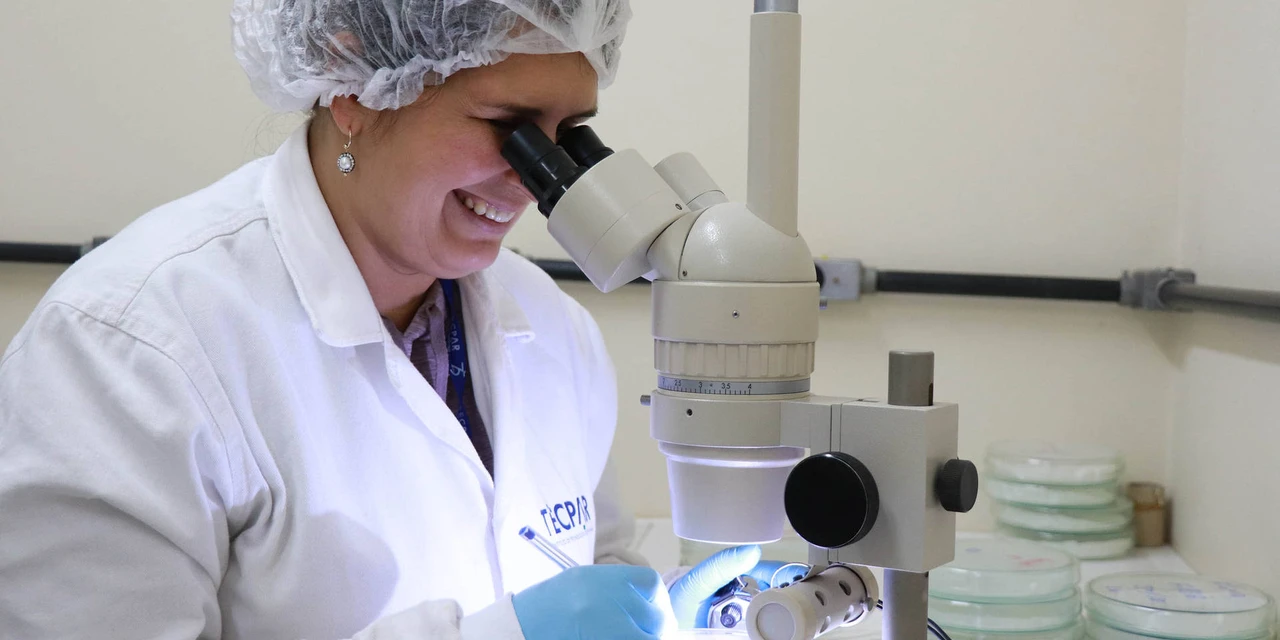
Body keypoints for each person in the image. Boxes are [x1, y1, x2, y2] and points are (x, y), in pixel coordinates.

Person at [0, 1, 781, 639]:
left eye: (567, 135)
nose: (535, 181)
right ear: (356, 92)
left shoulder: (553, 327)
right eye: (506, 124)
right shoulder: (128, 347)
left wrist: (660, 609)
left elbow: (586, 569)